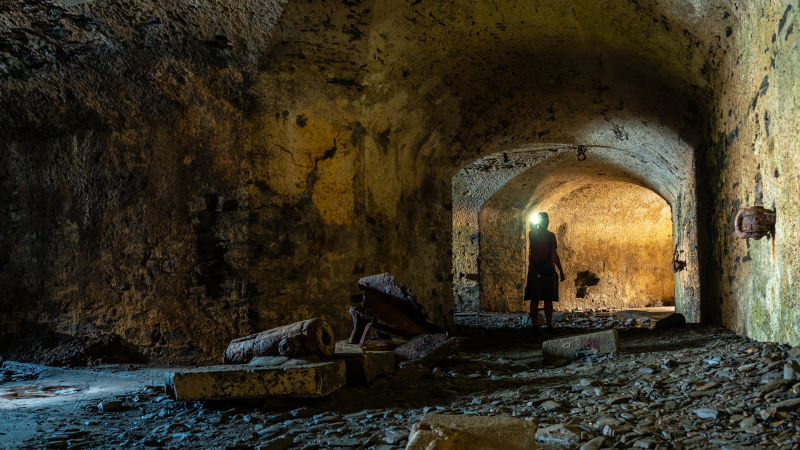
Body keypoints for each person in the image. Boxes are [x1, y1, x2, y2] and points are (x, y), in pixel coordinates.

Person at [525, 212, 565, 334]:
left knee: (548, 299)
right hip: (535, 270)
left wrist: (561, 270)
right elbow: (532, 235)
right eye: (544, 220)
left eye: (547, 220)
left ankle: (548, 324)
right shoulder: (533, 234)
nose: (546, 222)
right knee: (535, 299)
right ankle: (535, 324)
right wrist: (532, 226)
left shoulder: (551, 236)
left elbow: (554, 254)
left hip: (548, 270)